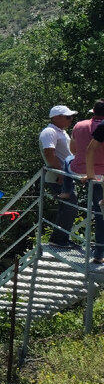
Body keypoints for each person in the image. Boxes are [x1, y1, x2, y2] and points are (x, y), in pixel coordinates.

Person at [72, 101, 104, 264]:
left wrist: (89, 173)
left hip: (89, 174)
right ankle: (98, 251)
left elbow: (75, 149)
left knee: (100, 215)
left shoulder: (80, 125)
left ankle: (98, 252)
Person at [41, 105, 77, 245]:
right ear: (56, 117)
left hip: (63, 175)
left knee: (69, 207)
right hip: (58, 176)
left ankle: (62, 239)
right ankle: (58, 240)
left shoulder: (61, 131)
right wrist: (61, 173)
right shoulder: (49, 131)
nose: (71, 119)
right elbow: (49, 155)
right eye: (68, 117)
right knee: (70, 206)